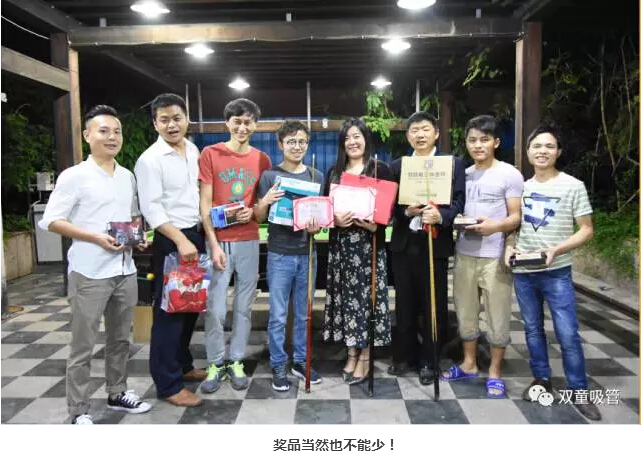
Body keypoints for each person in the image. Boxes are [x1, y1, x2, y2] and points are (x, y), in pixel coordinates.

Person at [39, 105, 152, 424]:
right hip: (89, 272)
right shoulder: (74, 176)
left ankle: (117, 393)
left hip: (124, 270)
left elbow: (132, 216)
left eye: (116, 131)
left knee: (120, 339)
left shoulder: (126, 176)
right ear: (87, 135)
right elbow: (51, 221)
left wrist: (137, 237)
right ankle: (78, 410)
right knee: (83, 344)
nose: (112, 137)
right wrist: (95, 237)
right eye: (104, 131)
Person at [505, 122, 601, 420]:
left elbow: (586, 230)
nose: (542, 151)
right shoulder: (522, 187)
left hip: (556, 271)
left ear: (558, 152)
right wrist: (509, 247)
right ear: (528, 152)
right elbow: (514, 226)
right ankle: (541, 380)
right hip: (524, 271)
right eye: (537, 146)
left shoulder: (573, 185)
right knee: (532, 329)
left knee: (567, 333)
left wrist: (557, 250)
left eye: (549, 146)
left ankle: (579, 390)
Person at [439, 115, 523, 398]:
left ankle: (495, 373)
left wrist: (494, 227)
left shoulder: (509, 174)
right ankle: (469, 364)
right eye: (473, 140)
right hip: (464, 254)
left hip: (495, 256)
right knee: (466, 313)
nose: (478, 145)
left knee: (498, 316)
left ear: (496, 142)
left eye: (484, 140)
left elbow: (516, 217)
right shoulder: (463, 174)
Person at [135, 93, 206, 407]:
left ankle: (183, 365)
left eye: (177, 118)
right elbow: (152, 208)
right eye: (164, 120)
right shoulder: (150, 160)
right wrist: (180, 240)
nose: (171, 125)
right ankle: (167, 384)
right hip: (172, 239)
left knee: (190, 307)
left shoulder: (192, 149)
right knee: (169, 313)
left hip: (194, 235)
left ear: (186, 119)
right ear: (155, 124)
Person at [198, 98, 271, 393]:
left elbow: (261, 212)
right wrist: (213, 244)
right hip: (219, 243)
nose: (242, 127)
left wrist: (251, 212)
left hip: (249, 241)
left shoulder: (262, 160)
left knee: (244, 307)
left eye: (248, 122)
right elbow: (204, 204)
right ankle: (215, 362)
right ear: (227, 123)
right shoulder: (210, 154)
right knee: (215, 310)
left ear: (255, 125)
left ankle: (237, 359)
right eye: (237, 121)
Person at [388, 111, 466, 385]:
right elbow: (390, 204)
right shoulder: (398, 165)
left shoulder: (452, 164)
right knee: (404, 303)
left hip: (435, 242)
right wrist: (405, 211)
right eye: (414, 130)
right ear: (408, 136)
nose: (420, 135)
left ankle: (429, 360)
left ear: (436, 133)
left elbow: (459, 200)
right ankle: (405, 355)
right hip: (404, 244)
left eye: (425, 129)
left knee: (434, 304)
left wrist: (441, 216)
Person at [322, 117, 393, 384]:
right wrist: (334, 220)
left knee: (367, 303)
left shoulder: (379, 169)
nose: (352, 142)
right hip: (341, 249)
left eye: (357, 136)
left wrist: (377, 226)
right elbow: (325, 208)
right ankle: (351, 354)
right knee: (346, 302)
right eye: (347, 138)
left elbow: (390, 211)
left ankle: (365, 357)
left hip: (369, 249)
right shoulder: (334, 172)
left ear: (365, 139)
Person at [255, 121, 324, 391]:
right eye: (291, 141)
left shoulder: (316, 176)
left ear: (308, 144)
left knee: (304, 314)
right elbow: (259, 217)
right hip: (279, 254)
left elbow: (320, 217)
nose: (297, 146)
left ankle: (300, 361)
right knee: (278, 315)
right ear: (281, 144)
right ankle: (278, 364)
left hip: (307, 253)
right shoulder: (269, 176)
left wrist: (317, 226)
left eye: (302, 141)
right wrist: (266, 201)